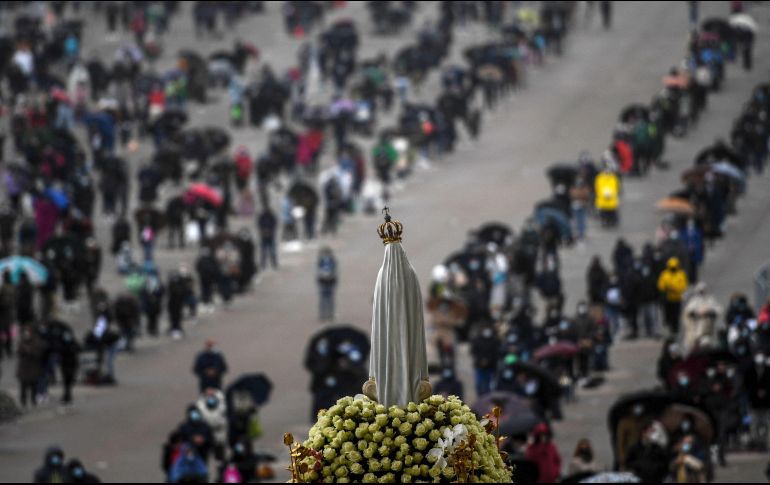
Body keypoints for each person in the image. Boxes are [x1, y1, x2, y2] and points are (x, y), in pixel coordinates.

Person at [681, 282, 722, 353]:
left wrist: (708, 312)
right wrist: (696, 314)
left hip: (707, 329)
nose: (701, 292)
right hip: (695, 329)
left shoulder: (710, 299)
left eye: (703, 290)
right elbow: (687, 312)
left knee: (706, 345)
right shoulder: (693, 301)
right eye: (700, 290)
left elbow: (717, 310)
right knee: (694, 347)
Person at [657, 257, 688, 336]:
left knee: (676, 314)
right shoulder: (665, 274)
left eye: (674, 267)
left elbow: (684, 286)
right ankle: (670, 326)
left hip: (677, 298)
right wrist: (666, 287)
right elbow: (660, 285)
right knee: (668, 314)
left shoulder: (681, 274)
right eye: (671, 267)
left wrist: (674, 288)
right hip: (667, 299)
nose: (673, 269)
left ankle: (675, 329)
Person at [16, 325, 44, 408]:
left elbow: (39, 353)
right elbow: (18, 352)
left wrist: (30, 351)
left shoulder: (37, 341)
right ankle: (23, 401)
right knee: (23, 386)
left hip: (33, 368)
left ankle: (33, 400)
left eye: (28, 331)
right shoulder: (22, 341)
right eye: (26, 331)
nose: (27, 333)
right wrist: (23, 349)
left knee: (33, 386)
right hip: (24, 368)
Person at [470, 323, 499, 397]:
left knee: (489, 386)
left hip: (490, 367)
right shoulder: (477, 340)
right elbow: (474, 352)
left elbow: (495, 353)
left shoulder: (494, 340)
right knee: (479, 384)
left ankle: (488, 399)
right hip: (479, 366)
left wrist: (488, 361)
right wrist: (481, 360)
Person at [317, 247, 337, 321]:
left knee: (330, 300)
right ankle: (323, 314)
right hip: (323, 282)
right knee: (323, 299)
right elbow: (318, 272)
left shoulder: (332, 261)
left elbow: (335, 272)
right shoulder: (320, 262)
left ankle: (330, 314)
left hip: (330, 282)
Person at [0, 271, 15, 359]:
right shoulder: (13, 287)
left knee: (1, 332)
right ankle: (9, 350)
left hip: (2, 312)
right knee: (8, 332)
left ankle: (1, 352)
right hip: (9, 312)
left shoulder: (3, 288)